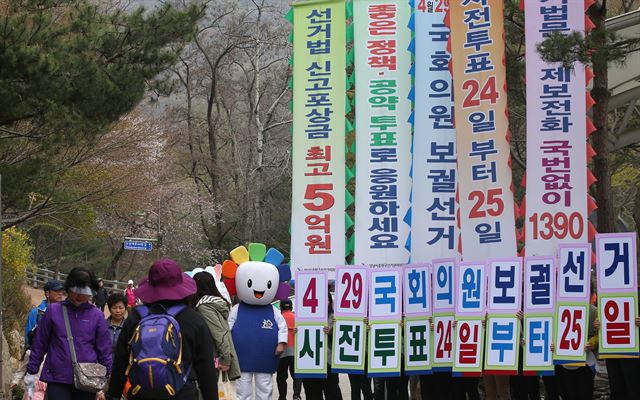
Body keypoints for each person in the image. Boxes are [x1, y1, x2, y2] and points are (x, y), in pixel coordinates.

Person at [108, 259, 218, 400]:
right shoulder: (193, 319)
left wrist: (113, 395)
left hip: (142, 393)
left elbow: (121, 362)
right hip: (182, 394)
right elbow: (206, 369)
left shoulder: (135, 317)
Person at [25, 268, 112, 400]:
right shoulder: (53, 311)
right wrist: (31, 372)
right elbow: (40, 343)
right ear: (68, 289)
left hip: (88, 378)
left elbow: (104, 349)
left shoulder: (97, 316)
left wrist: (108, 375)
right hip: (57, 377)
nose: (79, 296)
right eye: (76, 291)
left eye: (85, 293)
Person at [12, 280, 65, 400]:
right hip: (36, 362)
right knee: (31, 395)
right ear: (47, 293)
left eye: (61, 291)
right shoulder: (36, 312)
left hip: (55, 363)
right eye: (56, 291)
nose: (60, 294)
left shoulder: (65, 313)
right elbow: (29, 338)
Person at [191, 271, 241, 380]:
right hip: (218, 356)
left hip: (213, 358)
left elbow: (219, 333)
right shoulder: (218, 303)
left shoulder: (204, 307)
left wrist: (226, 359)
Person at [301, 290, 343, 400]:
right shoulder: (304, 316)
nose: (326, 302)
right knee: (312, 392)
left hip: (328, 361)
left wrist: (332, 331)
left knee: (332, 391)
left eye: (328, 300)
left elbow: (343, 340)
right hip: (310, 361)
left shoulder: (335, 318)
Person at [276, 299, 302, 400]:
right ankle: (296, 395)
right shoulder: (297, 318)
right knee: (297, 376)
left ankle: (282, 397)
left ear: (281, 308)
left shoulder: (279, 318)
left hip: (282, 352)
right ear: (291, 307)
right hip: (296, 352)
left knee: (281, 377)